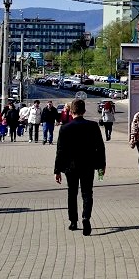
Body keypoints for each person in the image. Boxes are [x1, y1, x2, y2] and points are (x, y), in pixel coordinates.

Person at [54, 99, 106, 236]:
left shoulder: (65, 128)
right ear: (84, 111)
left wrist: (57, 170)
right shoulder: (93, 126)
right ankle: (86, 217)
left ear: (71, 112)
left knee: (72, 194)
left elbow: (60, 150)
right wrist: (101, 166)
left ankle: (73, 221)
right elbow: (100, 147)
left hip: (70, 167)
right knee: (87, 193)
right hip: (88, 166)